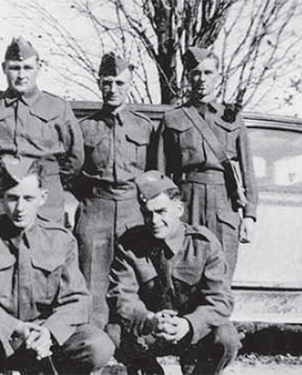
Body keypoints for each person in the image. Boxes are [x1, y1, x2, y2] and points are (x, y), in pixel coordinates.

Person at [0, 156, 115, 374]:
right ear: (1, 198)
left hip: (43, 343)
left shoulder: (61, 240)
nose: (20, 207)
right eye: (12, 198)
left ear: (43, 198)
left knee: (98, 345)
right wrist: (14, 326)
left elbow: (77, 300)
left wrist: (49, 332)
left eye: (28, 198)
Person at [107, 170, 243, 375]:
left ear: (178, 209)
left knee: (226, 337)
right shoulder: (130, 244)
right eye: (147, 213)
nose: (153, 220)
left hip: (193, 332)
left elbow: (221, 300)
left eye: (161, 211)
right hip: (153, 329)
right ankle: (149, 370)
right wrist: (149, 319)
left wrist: (188, 324)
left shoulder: (203, 244)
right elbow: (122, 296)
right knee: (113, 333)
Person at [155, 47, 257, 280]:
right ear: (188, 77)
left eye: (208, 73)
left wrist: (249, 215)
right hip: (185, 203)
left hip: (224, 206)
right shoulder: (172, 119)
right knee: (182, 273)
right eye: (196, 73)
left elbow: (248, 170)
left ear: (218, 77)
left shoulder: (232, 119)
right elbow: (160, 174)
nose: (202, 79)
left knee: (221, 276)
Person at [73, 52, 157, 329]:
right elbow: (72, 171)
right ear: (99, 83)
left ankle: (136, 352)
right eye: (107, 82)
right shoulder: (84, 127)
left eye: (120, 83)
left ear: (129, 85)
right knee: (91, 281)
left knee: (136, 280)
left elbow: (155, 173)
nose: (113, 89)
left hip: (133, 209)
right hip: (95, 208)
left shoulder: (144, 127)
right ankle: (91, 349)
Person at [0, 37, 84, 225]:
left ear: (38, 68)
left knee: (45, 249)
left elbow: (74, 159)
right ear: (4, 68)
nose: (21, 75)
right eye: (14, 68)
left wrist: (46, 177)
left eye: (27, 68)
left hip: (45, 200)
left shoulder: (58, 108)